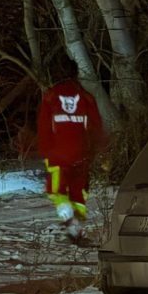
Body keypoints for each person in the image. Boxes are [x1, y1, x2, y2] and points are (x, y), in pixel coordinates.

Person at [37, 72, 107, 244]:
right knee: (78, 193)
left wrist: (46, 152)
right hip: (82, 155)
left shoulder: (50, 96)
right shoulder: (86, 97)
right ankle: (76, 231)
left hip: (58, 156)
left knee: (57, 191)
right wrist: (97, 151)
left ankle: (70, 222)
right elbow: (96, 127)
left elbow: (44, 127)